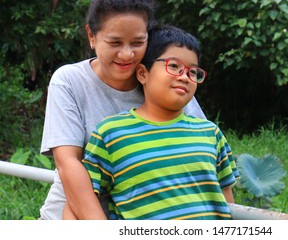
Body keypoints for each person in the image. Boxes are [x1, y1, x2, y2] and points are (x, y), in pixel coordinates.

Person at [39, 0, 205, 220]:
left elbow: (199, 146)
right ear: (91, 36)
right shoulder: (69, 81)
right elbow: (68, 164)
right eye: (115, 42)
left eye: (138, 42)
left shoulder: (167, 80)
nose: (127, 54)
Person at [71, 24, 240, 220]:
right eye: (174, 66)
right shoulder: (111, 135)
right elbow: (78, 201)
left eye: (193, 72)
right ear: (143, 73)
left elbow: (228, 203)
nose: (185, 77)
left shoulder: (211, 133)